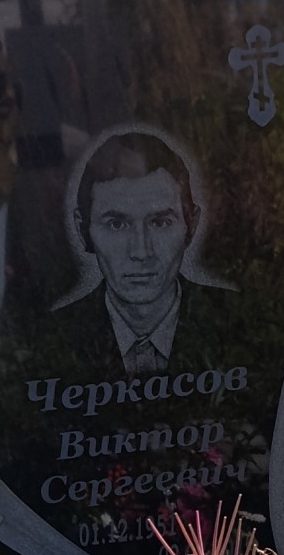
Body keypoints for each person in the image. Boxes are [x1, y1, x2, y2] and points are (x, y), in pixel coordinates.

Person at [50, 131, 232, 376]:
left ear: (191, 225)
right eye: (116, 224)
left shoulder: (239, 321)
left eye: (160, 222)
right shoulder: (51, 337)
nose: (141, 252)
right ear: (83, 231)